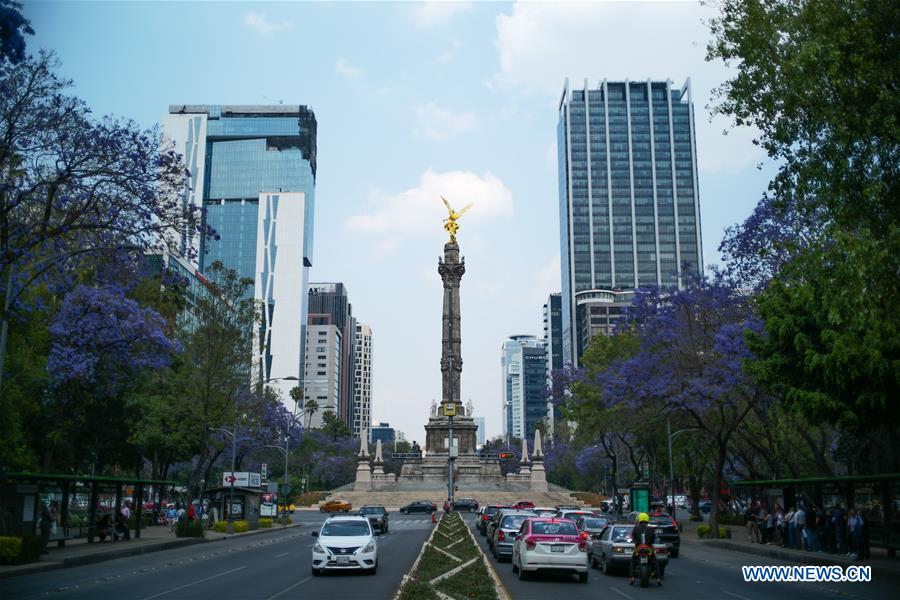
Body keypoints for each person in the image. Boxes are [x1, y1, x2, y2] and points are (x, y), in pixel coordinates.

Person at [629, 512, 662, 587]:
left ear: (639, 519)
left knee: (633, 561)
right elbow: (653, 539)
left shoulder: (636, 528)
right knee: (655, 562)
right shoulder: (651, 529)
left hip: (639, 548)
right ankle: (658, 579)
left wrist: (635, 542)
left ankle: (632, 578)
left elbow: (633, 537)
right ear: (647, 519)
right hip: (648, 548)